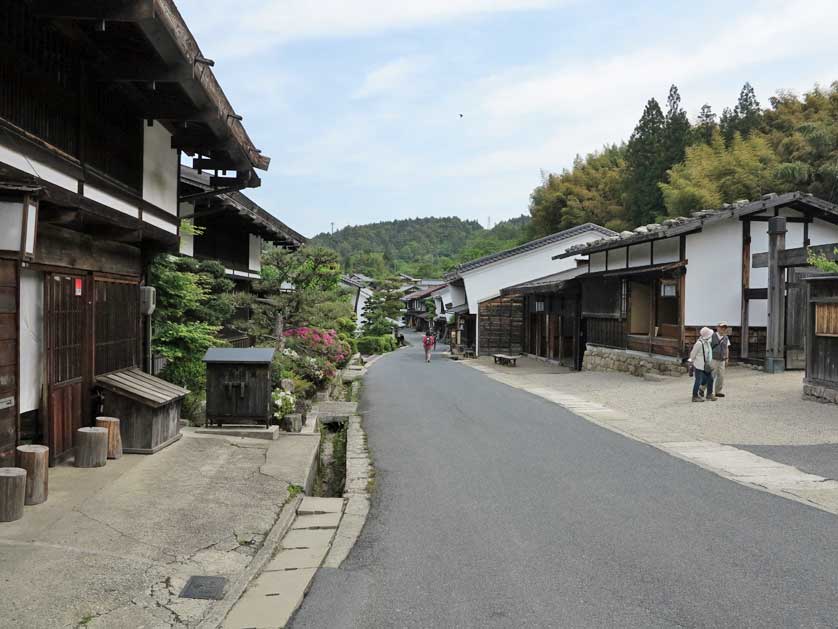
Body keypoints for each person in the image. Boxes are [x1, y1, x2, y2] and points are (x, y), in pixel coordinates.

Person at [688, 327, 716, 402]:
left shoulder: (707, 342)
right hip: (699, 365)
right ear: (707, 335)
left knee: (710, 379)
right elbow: (692, 354)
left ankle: (709, 395)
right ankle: (694, 396)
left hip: (706, 366)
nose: (711, 336)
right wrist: (690, 364)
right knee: (698, 380)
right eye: (710, 335)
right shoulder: (699, 343)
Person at [710, 322, 731, 398]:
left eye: (724, 328)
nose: (723, 329)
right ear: (717, 327)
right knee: (711, 375)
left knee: (721, 376)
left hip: (722, 359)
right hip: (713, 359)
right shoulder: (712, 336)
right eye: (721, 327)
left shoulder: (726, 337)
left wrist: (727, 358)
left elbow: (727, 348)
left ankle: (718, 391)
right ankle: (703, 390)